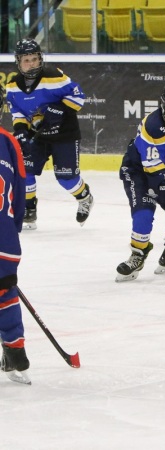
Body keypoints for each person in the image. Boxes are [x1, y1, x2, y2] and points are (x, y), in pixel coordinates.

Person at [5, 38, 94, 230]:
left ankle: (85, 197)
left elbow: (78, 96)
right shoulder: (12, 85)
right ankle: (29, 209)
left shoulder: (54, 76)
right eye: (26, 60)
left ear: (40, 59)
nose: (31, 63)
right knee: (25, 170)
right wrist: (21, 130)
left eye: (34, 59)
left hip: (64, 134)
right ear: (18, 62)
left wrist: (59, 109)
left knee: (66, 179)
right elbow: (17, 111)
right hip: (38, 135)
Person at [116, 82, 165, 282]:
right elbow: (152, 168)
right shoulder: (152, 126)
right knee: (144, 212)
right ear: (164, 108)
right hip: (138, 171)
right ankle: (138, 254)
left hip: (162, 167)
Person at [0, 86, 31, 384]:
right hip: (4, 242)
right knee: (4, 294)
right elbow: (20, 192)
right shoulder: (9, 141)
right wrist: (12, 229)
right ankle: (16, 352)